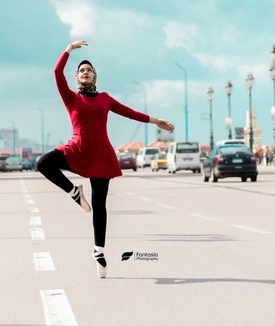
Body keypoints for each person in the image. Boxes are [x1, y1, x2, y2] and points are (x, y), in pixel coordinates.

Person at [37, 40, 174, 279]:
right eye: (81, 71)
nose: (85, 72)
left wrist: (156, 120)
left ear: (94, 75)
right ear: (77, 78)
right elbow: (57, 72)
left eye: (88, 69)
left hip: (101, 155)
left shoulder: (105, 99)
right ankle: (74, 193)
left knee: (100, 205)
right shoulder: (71, 98)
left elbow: (130, 113)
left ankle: (98, 251)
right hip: (77, 150)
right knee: (43, 163)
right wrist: (69, 49)